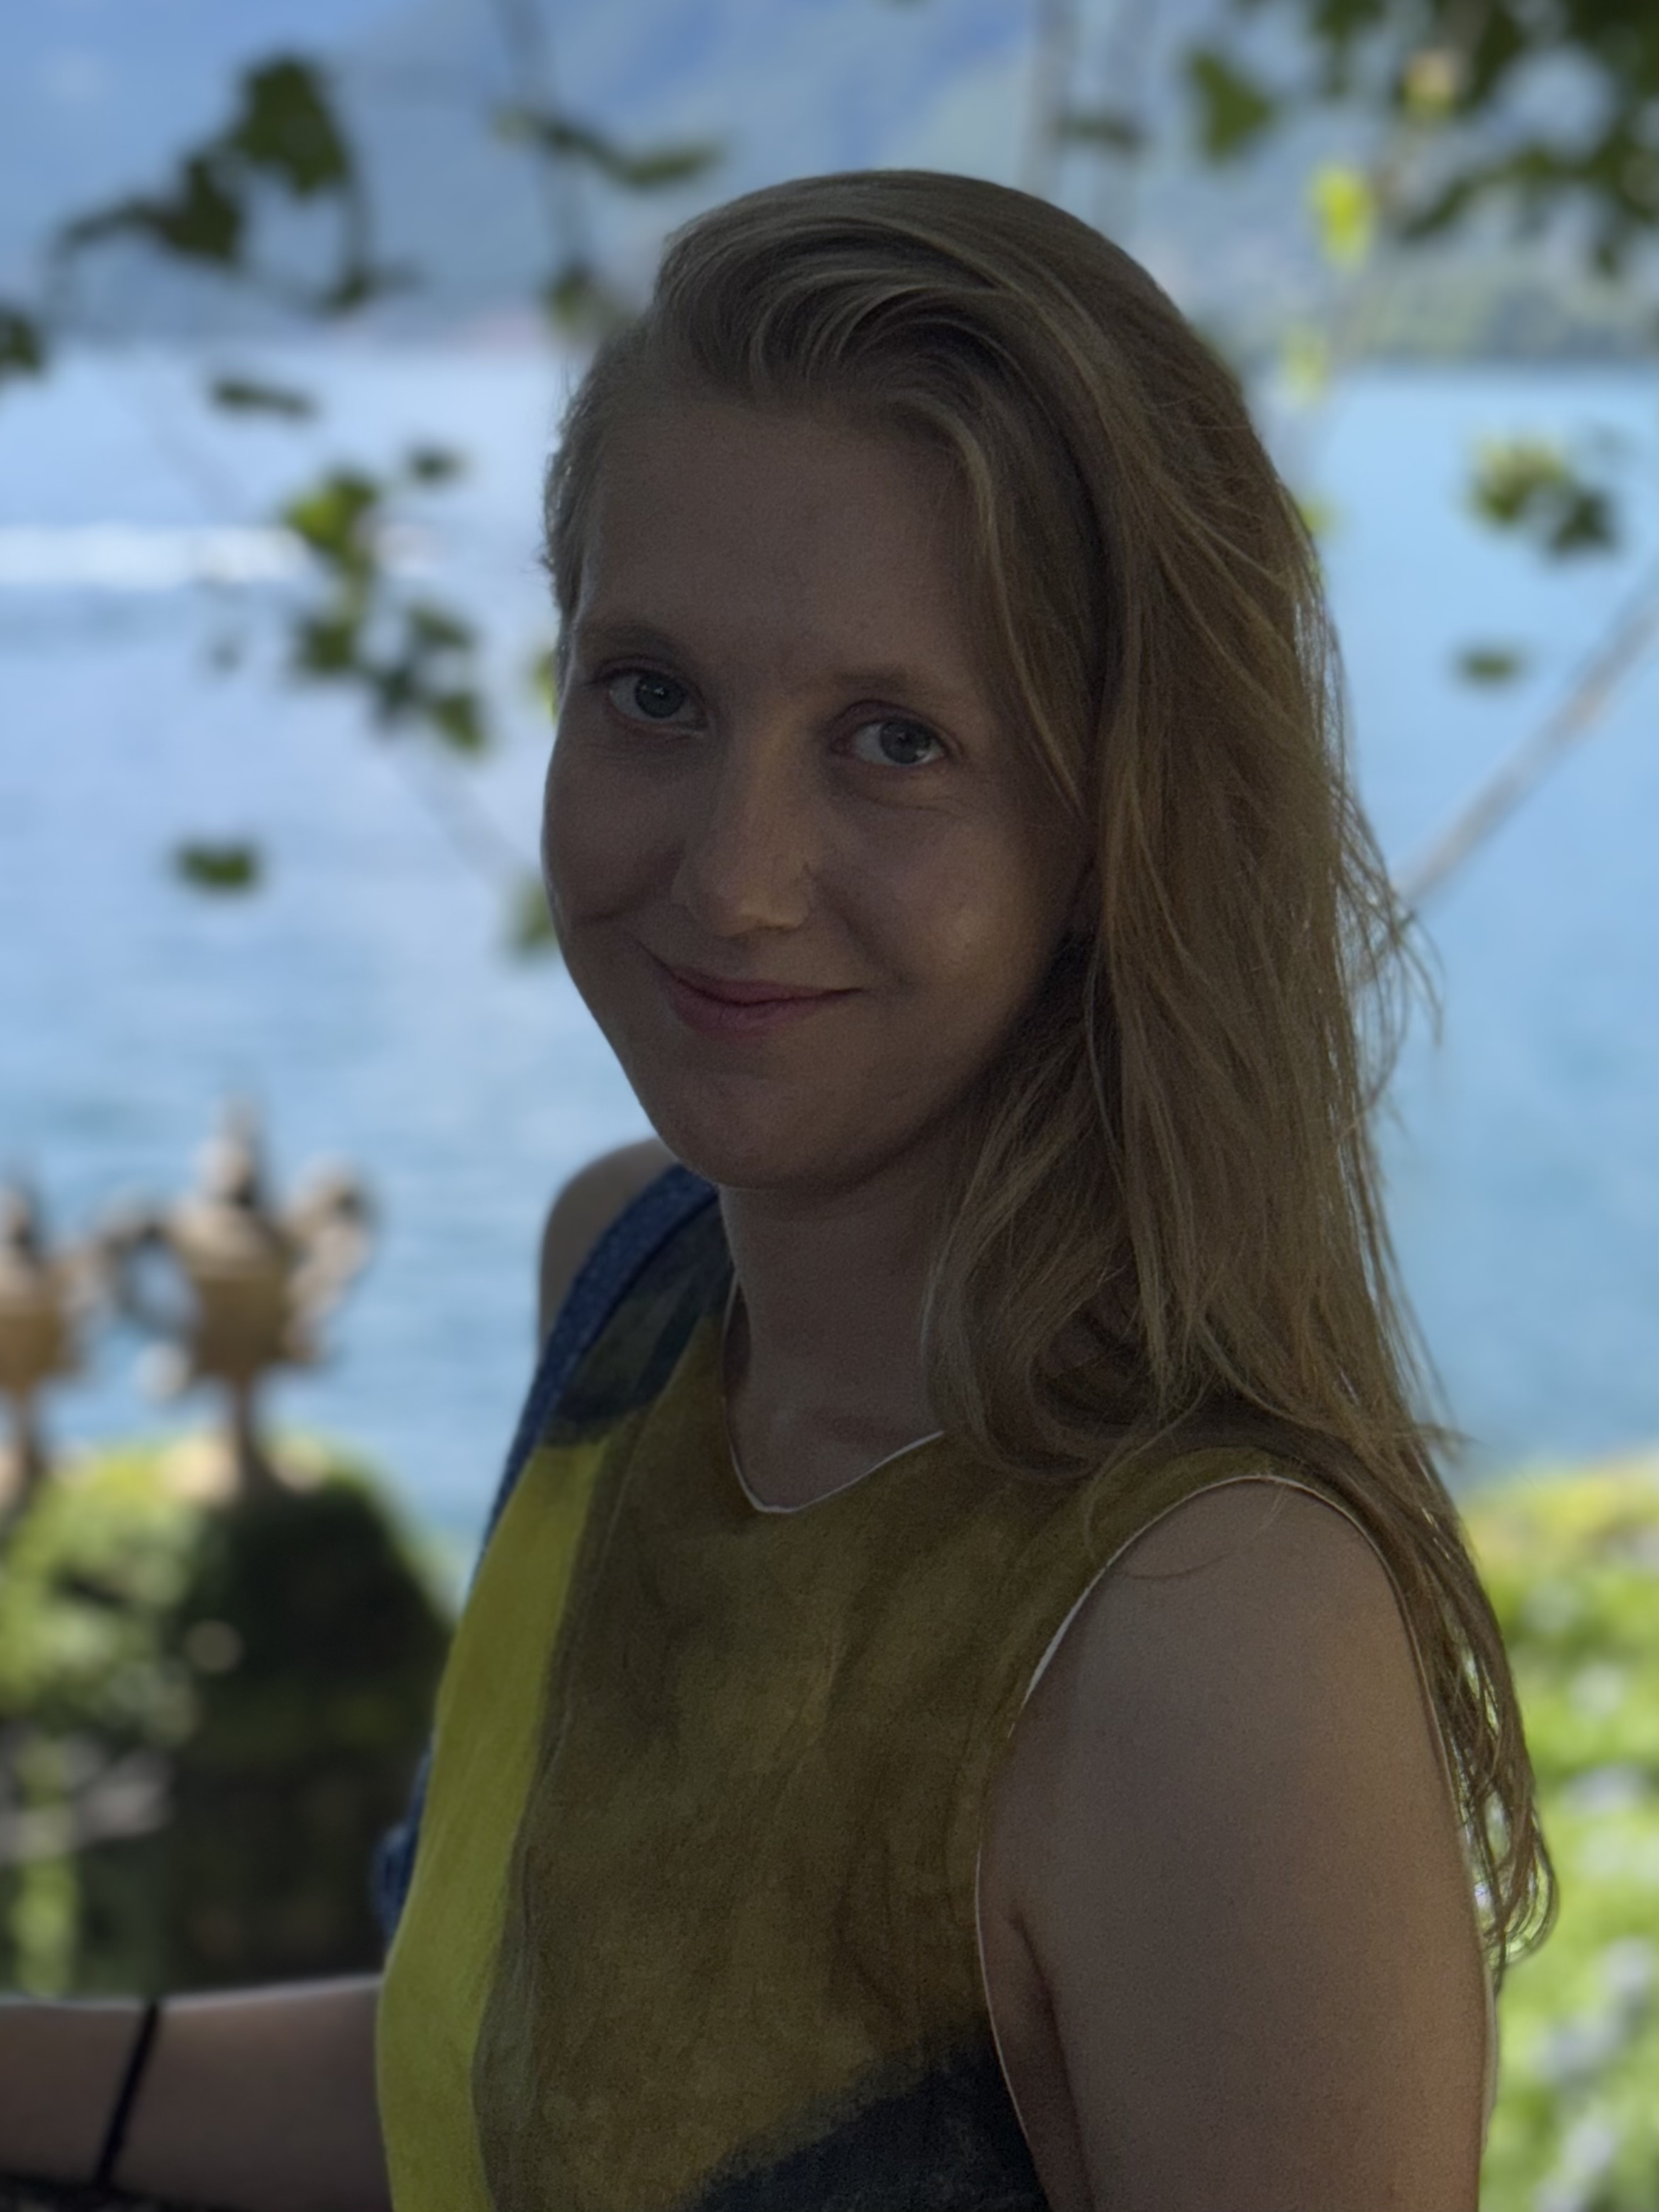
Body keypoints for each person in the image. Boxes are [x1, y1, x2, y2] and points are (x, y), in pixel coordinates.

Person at [0, 168, 1555, 2212]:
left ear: (1118, 833)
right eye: (651, 693)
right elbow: (490, 2086)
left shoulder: (1205, 1642)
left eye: (894, 741)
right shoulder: (629, 1293)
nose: (731, 871)